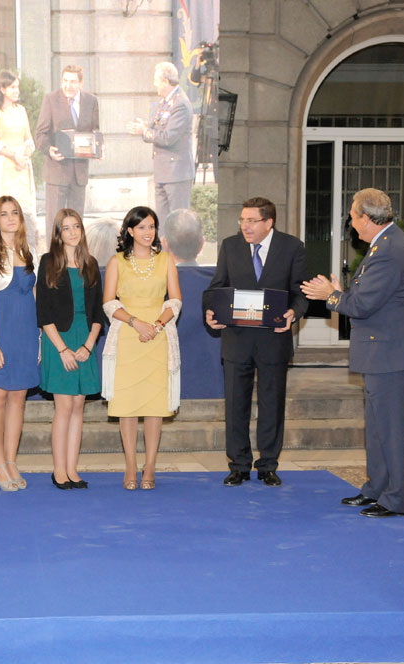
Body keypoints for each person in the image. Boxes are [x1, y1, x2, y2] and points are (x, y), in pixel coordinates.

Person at [301, 188, 404, 517]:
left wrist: (331, 296)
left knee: (391, 430)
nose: (351, 223)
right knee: (377, 427)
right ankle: (377, 489)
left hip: (390, 355)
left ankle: (396, 499)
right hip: (383, 353)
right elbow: (368, 296)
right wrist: (340, 292)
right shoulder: (383, 244)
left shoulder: (389, 250)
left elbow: (363, 305)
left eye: (353, 216)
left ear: (367, 219)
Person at [204, 197, 308, 488]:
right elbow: (216, 288)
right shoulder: (230, 246)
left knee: (272, 403)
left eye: (251, 221)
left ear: (268, 223)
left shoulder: (292, 247)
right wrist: (210, 313)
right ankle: (238, 465)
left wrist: (293, 313)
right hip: (237, 340)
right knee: (236, 404)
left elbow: (299, 293)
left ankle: (268, 465)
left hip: (273, 340)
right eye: (242, 220)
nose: (244, 226)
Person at [101, 206, 181, 490]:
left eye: (152, 227)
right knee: (127, 407)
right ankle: (131, 467)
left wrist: (156, 326)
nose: (149, 232)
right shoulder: (116, 262)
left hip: (157, 339)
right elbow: (109, 302)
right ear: (131, 231)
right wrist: (136, 323)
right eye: (143, 227)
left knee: (154, 408)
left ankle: (150, 467)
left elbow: (175, 302)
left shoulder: (166, 261)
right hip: (128, 337)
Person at [0, 196, 40, 491]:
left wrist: (37, 340)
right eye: (4, 214)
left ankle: (11, 460)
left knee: (18, 399)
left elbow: (36, 299)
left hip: (25, 336)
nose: (11, 218)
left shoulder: (31, 251)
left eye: (15, 213)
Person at [36, 209, 104, 490]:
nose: (73, 232)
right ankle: (59, 470)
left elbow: (99, 312)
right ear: (58, 234)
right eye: (66, 228)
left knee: (79, 405)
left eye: (77, 226)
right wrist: (63, 349)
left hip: (85, 340)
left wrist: (88, 345)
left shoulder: (91, 263)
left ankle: (73, 470)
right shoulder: (48, 262)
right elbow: (43, 312)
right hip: (58, 340)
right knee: (64, 406)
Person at [34, 64, 100, 239]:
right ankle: (52, 261)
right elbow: (40, 134)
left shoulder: (91, 101)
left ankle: (75, 260)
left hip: (79, 174)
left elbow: (95, 132)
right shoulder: (51, 99)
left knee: (76, 223)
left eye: (72, 82)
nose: (68, 86)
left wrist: (99, 148)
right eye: (65, 81)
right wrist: (49, 149)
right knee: (55, 222)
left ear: (81, 83)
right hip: (57, 171)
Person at [127, 62, 195, 224]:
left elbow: (167, 137)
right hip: (163, 172)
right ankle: (163, 250)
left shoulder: (181, 104)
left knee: (179, 223)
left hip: (176, 174)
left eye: (156, 80)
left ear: (165, 81)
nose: (154, 84)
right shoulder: (164, 102)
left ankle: (178, 251)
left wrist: (144, 131)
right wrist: (143, 128)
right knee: (163, 223)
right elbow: (153, 128)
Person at [0, 71, 36, 228]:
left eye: (18, 87)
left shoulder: (21, 110)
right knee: (6, 209)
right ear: (3, 89)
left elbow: (28, 139)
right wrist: (14, 156)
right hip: (5, 167)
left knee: (23, 210)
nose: (16, 90)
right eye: (12, 87)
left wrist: (25, 157)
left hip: (22, 167)